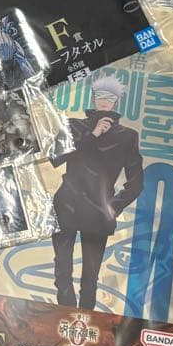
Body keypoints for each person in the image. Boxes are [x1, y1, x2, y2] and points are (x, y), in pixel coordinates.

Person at [50, 76, 144, 310]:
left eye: (109, 97)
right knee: (62, 271)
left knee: (90, 277)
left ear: (116, 102)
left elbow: (136, 182)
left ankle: (85, 321)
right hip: (67, 204)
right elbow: (55, 158)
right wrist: (92, 136)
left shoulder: (127, 136)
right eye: (100, 96)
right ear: (93, 98)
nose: (104, 101)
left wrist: (112, 207)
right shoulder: (73, 125)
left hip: (98, 211)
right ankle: (64, 316)